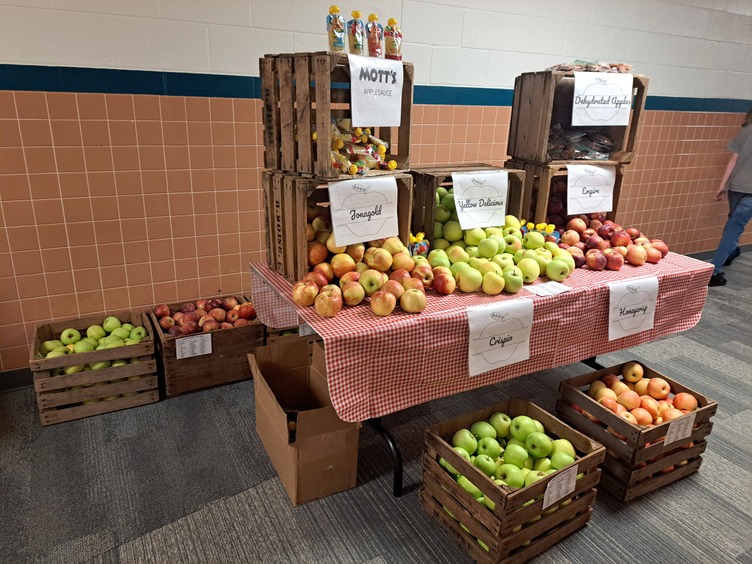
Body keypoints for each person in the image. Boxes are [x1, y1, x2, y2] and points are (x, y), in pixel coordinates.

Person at [708, 108, 752, 287]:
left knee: (733, 224)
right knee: (734, 226)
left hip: (736, 186)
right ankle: (714, 271)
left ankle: (731, 252)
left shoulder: (746, 128)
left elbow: (734, 158)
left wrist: (723, 185)